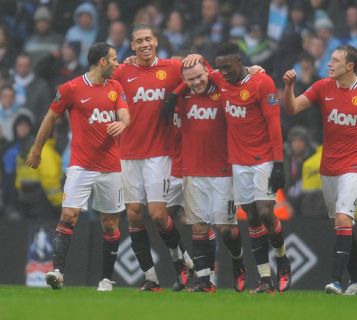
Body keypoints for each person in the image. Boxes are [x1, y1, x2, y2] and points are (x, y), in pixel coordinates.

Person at [283, 45, 357, 295]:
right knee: (341, 223)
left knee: (344, 218)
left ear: (350, 66)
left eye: (335, 60)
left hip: (355, 164)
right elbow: (292, 108)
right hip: (329, 166)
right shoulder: (323, 86)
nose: (329, 64)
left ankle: (335, 280)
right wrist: (289, 87)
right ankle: (356, 280)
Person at [26, 42, 130, 291]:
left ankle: (106, 279)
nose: (118, 63)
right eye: (114, 59)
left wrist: (123, 124)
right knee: (68, 215)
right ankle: (57, 272)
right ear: (102, 62)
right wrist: (37, 149)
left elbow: (125, 113)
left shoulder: (116, 87)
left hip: (111, 167)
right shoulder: (71, 88)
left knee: (110, 224)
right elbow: (50, 117)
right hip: (81, 167)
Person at [112, 24, 193, 292]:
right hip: (128, 154)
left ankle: (180, 259)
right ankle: (151, 278)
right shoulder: (122, 71)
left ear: (156, 41)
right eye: (139, 41)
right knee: (134, 215)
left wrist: (252, 71)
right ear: (132, 46)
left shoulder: (172, 67)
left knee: (158, 214)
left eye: (148, 39)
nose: (144, 44)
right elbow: (100, 77)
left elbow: (201, 70)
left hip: (159, 153)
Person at [211, 42, 291, 293]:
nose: (222, 72)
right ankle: (265, 279)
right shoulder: (220, 78)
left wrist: (279, 163)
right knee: (252, 217)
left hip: (264, 158)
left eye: (227, 67)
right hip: (239, 161)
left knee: (266, 212)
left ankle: (282, 258)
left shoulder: (261, 83)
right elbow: (197, 70)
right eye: (219, 68)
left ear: (239, 61)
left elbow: (274, 124)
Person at [172, 61, 246, 293]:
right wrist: (183, 84)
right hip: (193, 172)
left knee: (226, 228)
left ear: (208, 72)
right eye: (190, 79)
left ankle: (238, 263)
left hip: (223, 172)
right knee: (199, 227)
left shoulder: (222, 93)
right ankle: (205, 281)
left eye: (200, 76)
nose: (197, 82)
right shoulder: (182, 98)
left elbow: (231, 78)